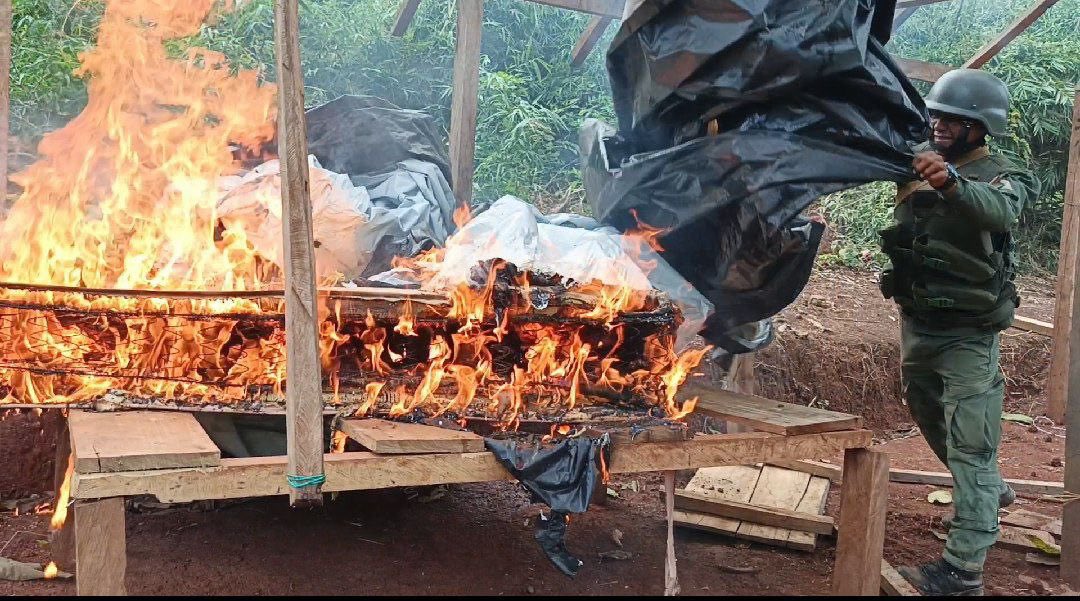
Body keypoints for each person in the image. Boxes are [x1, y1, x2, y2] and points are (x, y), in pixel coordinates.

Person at [878, 68, 1040, 596]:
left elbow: (997, 213)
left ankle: (961, 570)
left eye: (956, 119)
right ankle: (989, 491)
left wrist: (946, 179)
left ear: (980, 128)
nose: (941, 124)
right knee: (927, 414)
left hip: (969, 333)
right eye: (938, 115)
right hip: (919, 324)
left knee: (971, 445)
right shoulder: (913, 157)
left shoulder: (1003, 175)